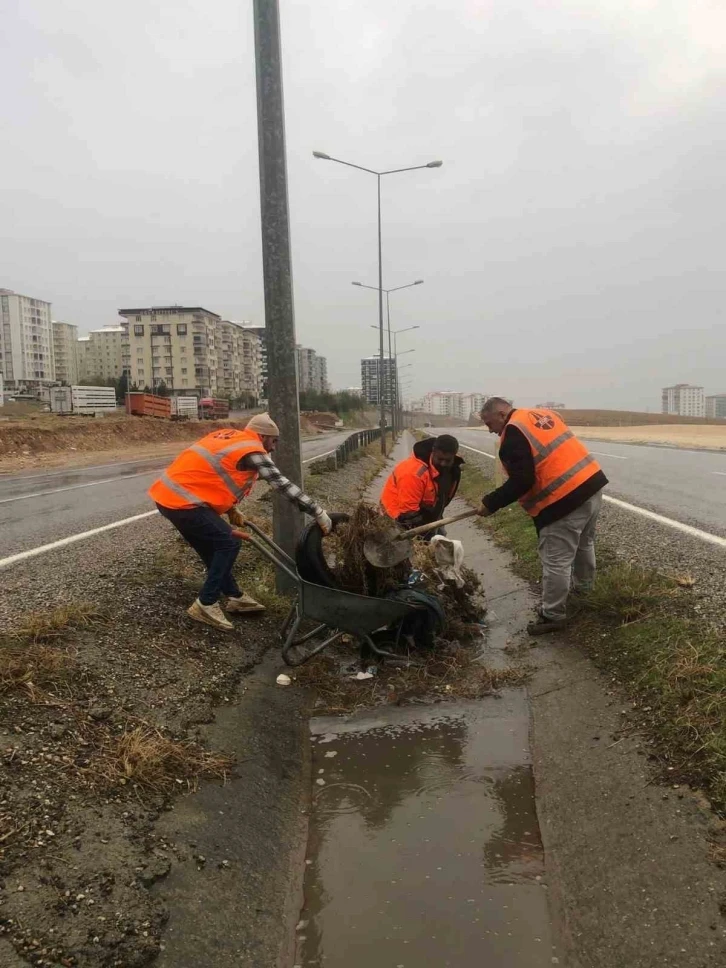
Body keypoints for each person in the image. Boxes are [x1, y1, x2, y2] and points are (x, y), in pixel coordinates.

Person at [149, 413, 332, 632]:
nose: (273, 447)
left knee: (213, 548)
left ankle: (234, 596)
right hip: (184, 502)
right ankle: (206, 603)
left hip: (170, 497)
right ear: (263, 436)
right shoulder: (252, 449)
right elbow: (281, 484)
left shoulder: (230, 437)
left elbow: (210, 475)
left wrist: (231, 509)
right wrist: (316, 510)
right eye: (273, 441)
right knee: (228, 543)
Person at [476, 398, 608, 635]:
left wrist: (490, 503)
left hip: (563, 499)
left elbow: (522, 480)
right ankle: (584, 591)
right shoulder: (539, 414)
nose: (490, 429)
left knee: (556, 560)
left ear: (502, 412)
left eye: (490, 422)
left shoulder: (513, 434)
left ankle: (553, 615)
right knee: (584, 544)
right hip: (591, 483)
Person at [380, 434, 463, 534]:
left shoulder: (452, 470)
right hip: (396, 516)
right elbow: (408, 512)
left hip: (426, 513)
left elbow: (443, 498)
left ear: (454, 455)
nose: (443, 464)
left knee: (440, 538)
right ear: (433, 452)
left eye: (448, 460)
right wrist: (426, 536)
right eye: (440, 459)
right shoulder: (413, 474)